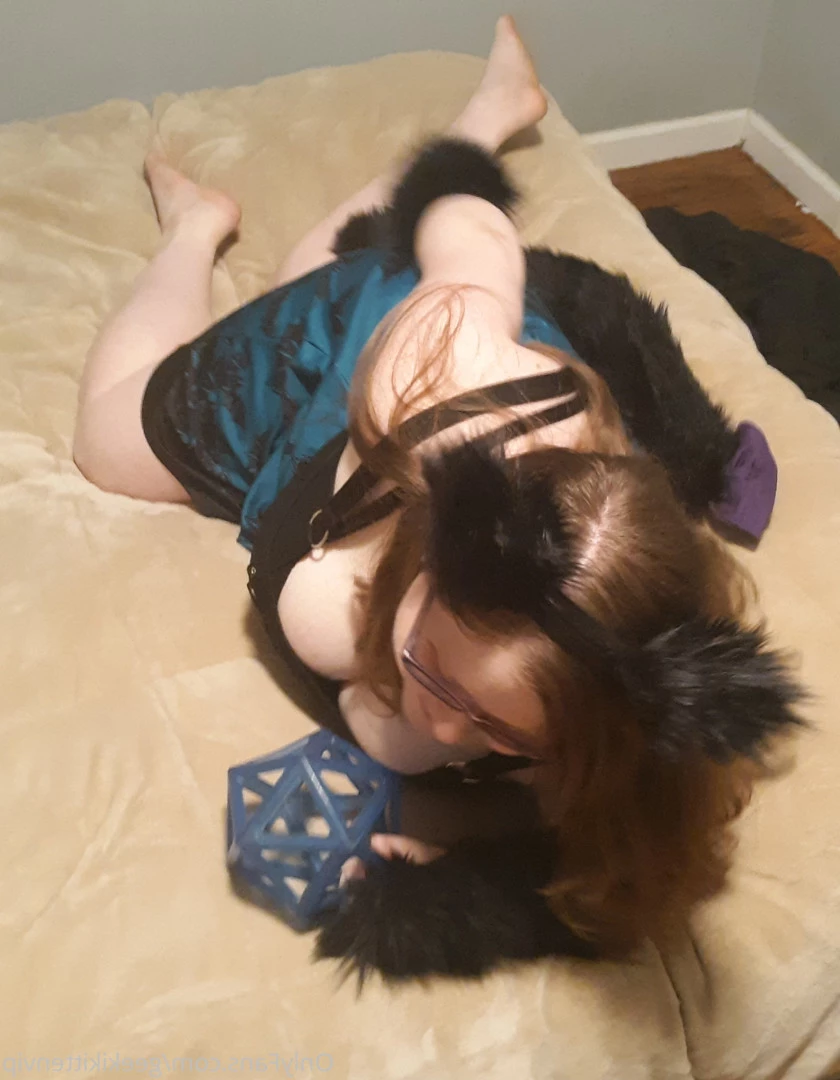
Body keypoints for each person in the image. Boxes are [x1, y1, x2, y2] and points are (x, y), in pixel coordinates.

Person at [73, 17, 804, 981]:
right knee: (115, 437)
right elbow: (473, 238)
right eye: (434, 668)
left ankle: (486, 116)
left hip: (450, 447)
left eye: (502, 727)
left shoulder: (637, 688)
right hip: (383, 360)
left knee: (312, 269)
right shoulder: (439, 357)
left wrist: (457, 869)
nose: (445, 727)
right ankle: (199, 227)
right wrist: (458, 178)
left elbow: (633, 868)